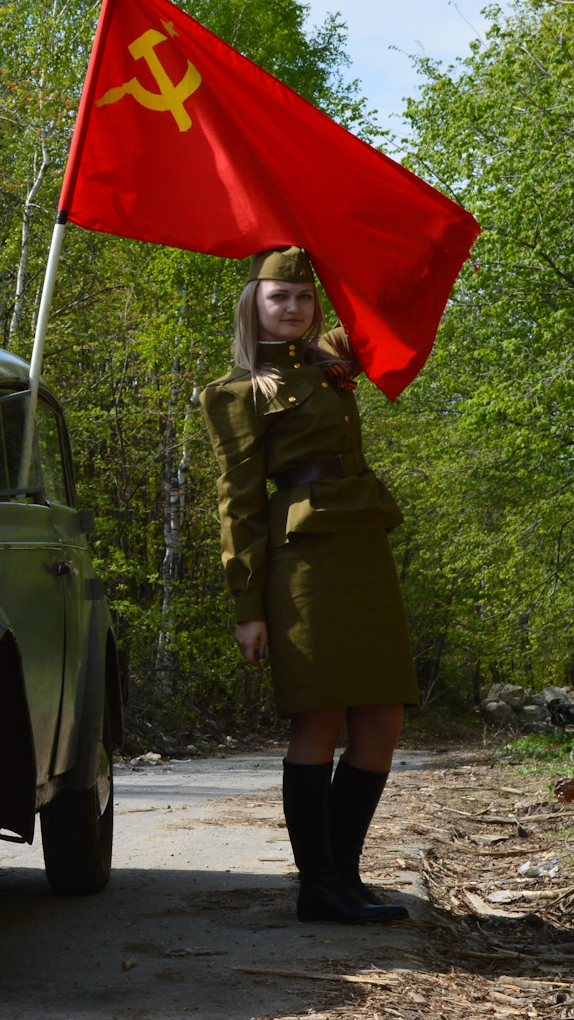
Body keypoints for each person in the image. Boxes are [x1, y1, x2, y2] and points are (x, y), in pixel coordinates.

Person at [198, 246, 417, 925]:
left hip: (364, 550)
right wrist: (246, 606)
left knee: (383, 717)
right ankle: (317, 884)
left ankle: (345, 878)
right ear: (253, 305)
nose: (292, 308)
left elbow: (387, 292)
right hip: (303, 562)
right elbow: (236, 504)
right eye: (278, 297)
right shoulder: (236, 392)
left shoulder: (332, 360)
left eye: (302, 297)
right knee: (319, 717)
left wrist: (335, 233)